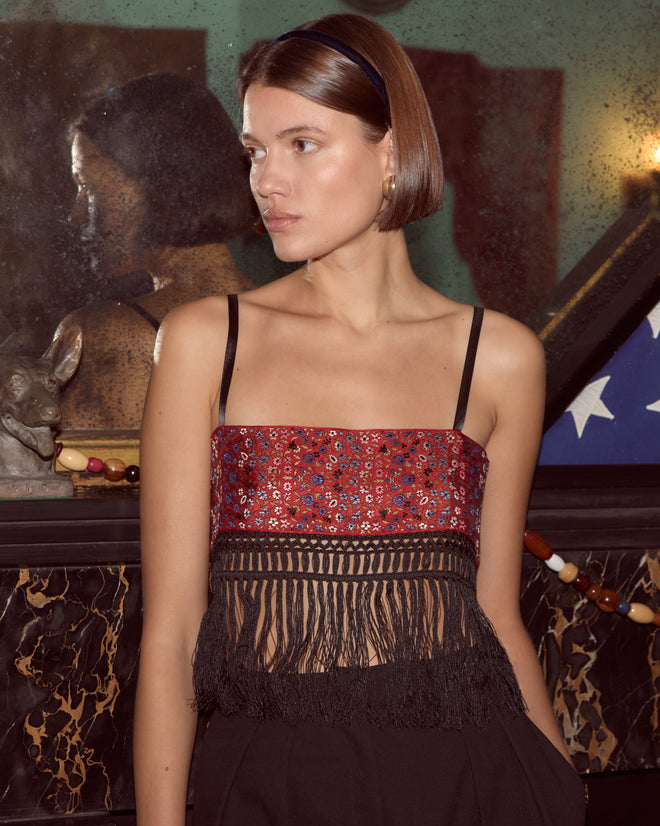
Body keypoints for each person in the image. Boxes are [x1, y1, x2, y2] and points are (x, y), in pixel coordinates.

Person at [134, 14, 587, 826]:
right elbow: (170, 634)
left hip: (474, 778)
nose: (268, 181)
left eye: (302, 144)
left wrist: (562, 795)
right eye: (256, 151)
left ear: (391, 152)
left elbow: (496, 617)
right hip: (268, 777)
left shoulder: (501, 358)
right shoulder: (207, 342)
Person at [55, 73, 255, 430]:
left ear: (157, 185)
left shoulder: (102, 336)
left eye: (87, 186)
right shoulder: (290, 323)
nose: (75, 214)